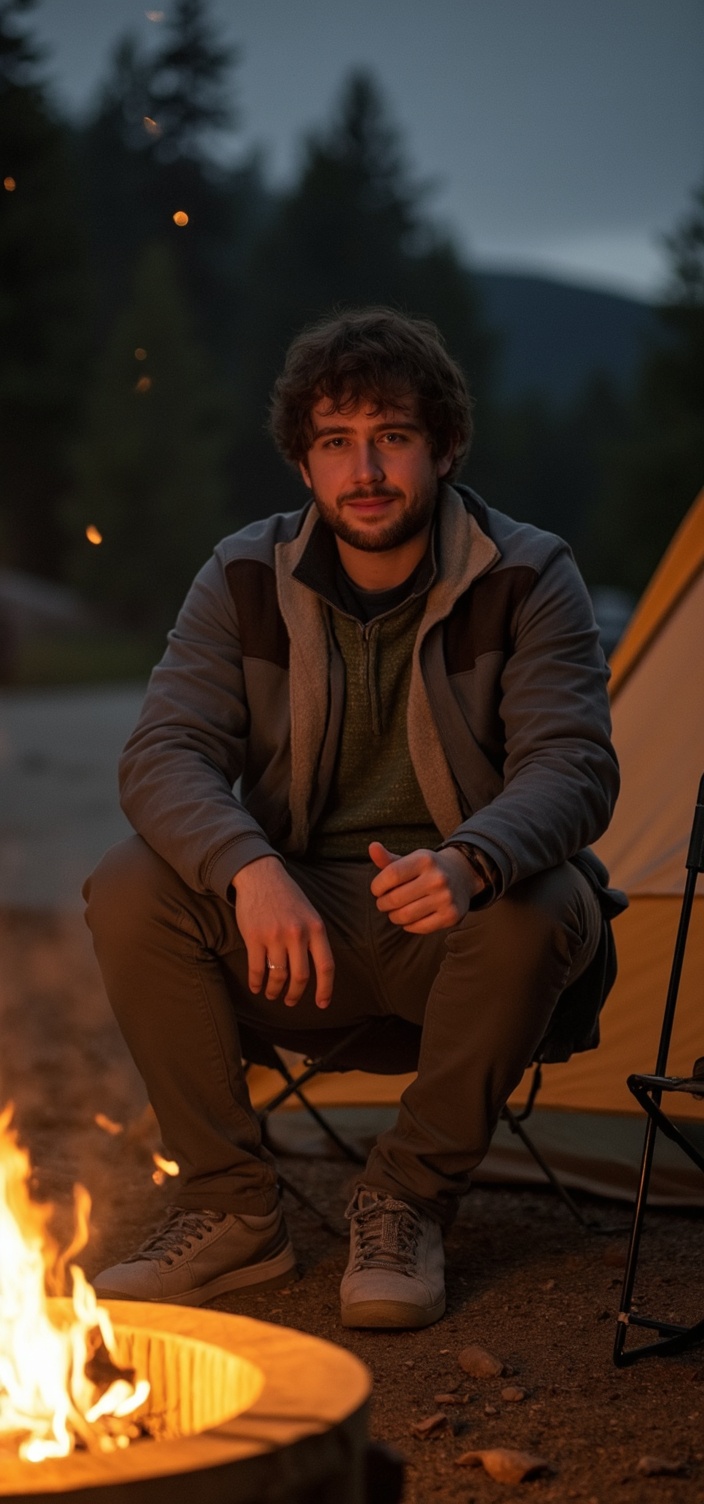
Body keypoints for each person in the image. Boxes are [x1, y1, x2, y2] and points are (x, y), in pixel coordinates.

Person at [85, 307, 625, 1330]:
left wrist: (474, 858)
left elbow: (575, 766)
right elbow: (164, 752)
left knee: (544, 896)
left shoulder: (526, 572)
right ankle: (229, 1208)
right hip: (297, 943)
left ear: (443, 447)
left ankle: (405, 1200)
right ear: (304, 463)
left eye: (391, 437)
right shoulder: (243, 574)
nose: (364, 468)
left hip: (466, 937)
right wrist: (248, 867)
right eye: (335, 442)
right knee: (129, 882)